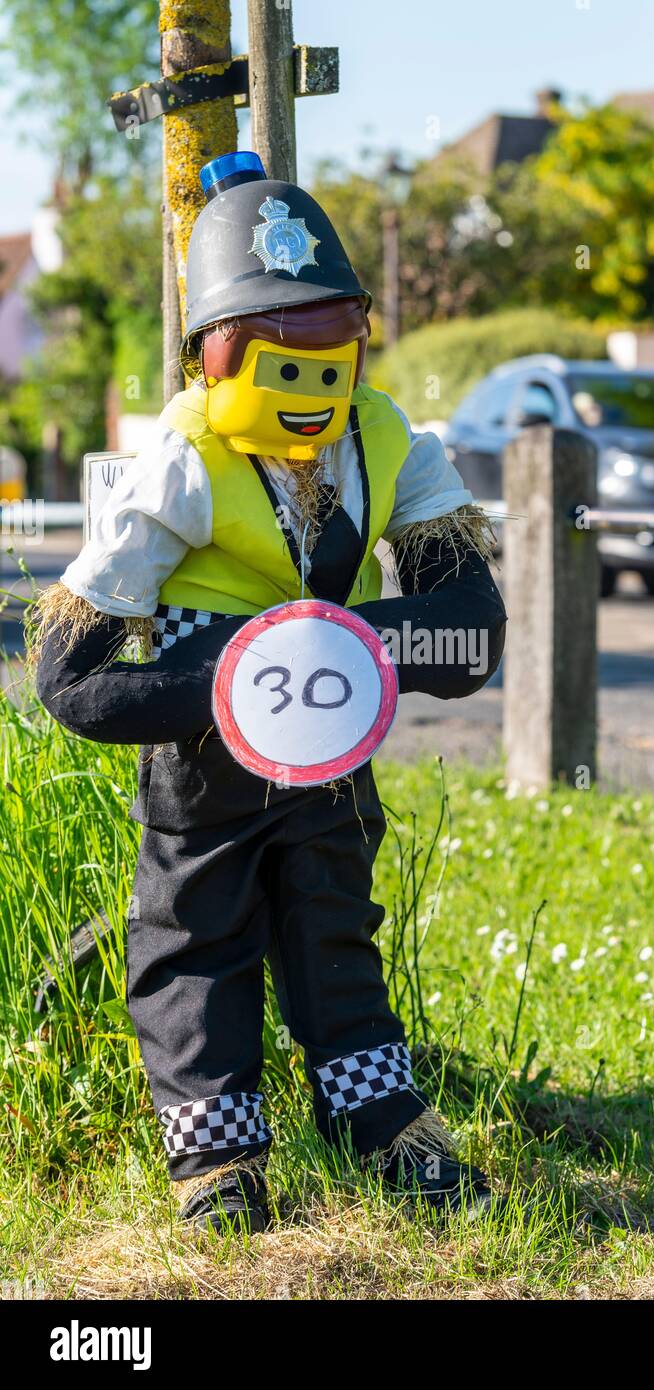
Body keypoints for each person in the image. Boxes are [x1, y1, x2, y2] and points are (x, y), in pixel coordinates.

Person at [31, 152, 507, 1235]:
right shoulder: (180, 464)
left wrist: (336, 642)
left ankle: (383, 1121)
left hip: (334, 744)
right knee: (195, 935)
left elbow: (469, 631)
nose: (309, 400)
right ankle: (217, 1157)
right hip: (205, 758)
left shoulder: (392, 441)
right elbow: (71, 674)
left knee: (336, 918)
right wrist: (232, 677)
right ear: (212, 360)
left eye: (327, 366)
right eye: (278, 369)